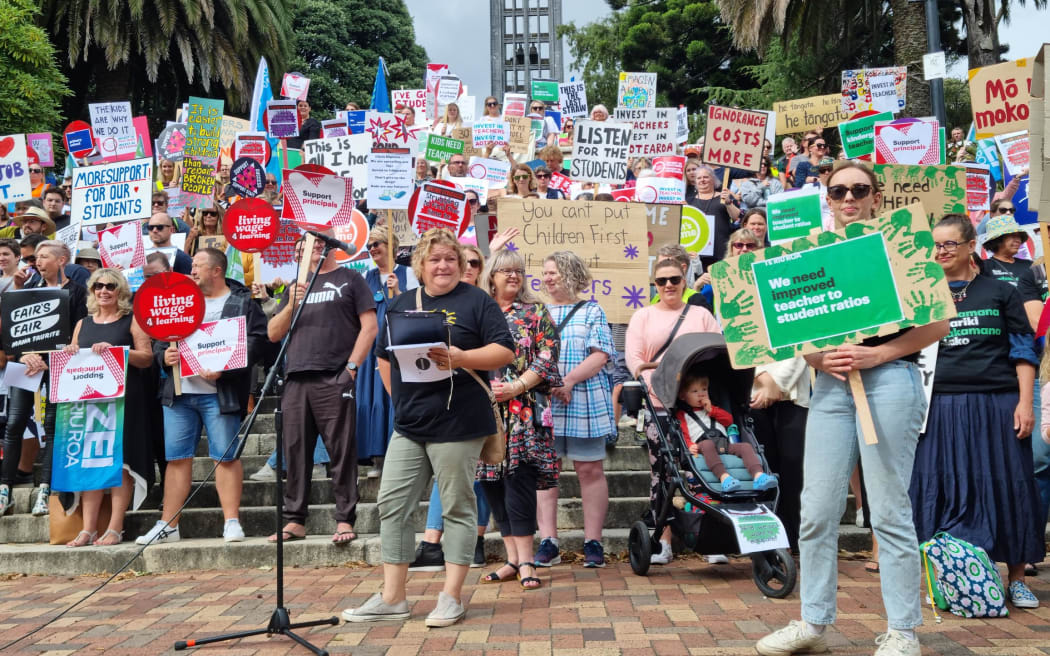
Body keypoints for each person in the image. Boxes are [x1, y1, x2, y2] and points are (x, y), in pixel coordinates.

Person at [757, 161, 948, 656]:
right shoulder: (809, 254)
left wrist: (880, 353)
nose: (848, 197)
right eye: (837, 189)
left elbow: (938, 325)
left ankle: (903, 630)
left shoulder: (902, 247)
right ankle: (813, 623)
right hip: (831, 388)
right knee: (817, 510)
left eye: (858, 189)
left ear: (876, 196)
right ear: (827, 197)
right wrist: (817, 355)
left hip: (890, 380)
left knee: (888, 508)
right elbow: (790, 327)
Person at [342, 228, 514, 627]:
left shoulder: (478, 301)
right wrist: (398, 399)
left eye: (451, 258)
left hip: (460, 421)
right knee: (393, 504)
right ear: (420, 265)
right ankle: (392, 598)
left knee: (456, 506)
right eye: (435, 258)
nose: (443, 265)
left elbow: (504, 350)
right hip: (410, 422)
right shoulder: (401, 303)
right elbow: (384, 356)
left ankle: (451, 597)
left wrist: (462, 356)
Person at [909, 214, 1044, 608]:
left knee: (1009, 484)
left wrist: (1025, 402)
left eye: (950, 244)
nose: (941, 252)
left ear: (972, 246)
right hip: (938, 407)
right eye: (935, 245)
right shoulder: (921, 294)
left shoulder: (1002, 291)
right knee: (940, 488)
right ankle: (951, 579)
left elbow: (1023, 350)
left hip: (996, 403)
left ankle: (1018, 578)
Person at [135, 248, 267, 545]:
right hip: (179, 394)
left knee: (226, 456)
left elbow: (258, 343)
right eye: (192, 265)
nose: (191, 270)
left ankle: (231, 521)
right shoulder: (176, 299)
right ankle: (168, 525)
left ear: (217, 270)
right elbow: (158, 339)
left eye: (198, 265)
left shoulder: (243, 302)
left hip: (221, 394)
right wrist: (163, 356)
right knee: (177, 459)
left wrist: (227, 368)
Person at [266, 233, 377, 544]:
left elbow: (370, 327)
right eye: (304, 244)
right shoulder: (294, 287)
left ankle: (344, 519)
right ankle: (294, 520)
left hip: (335, 376)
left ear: (330, 246)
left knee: (341, 451)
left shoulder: (350, 278)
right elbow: (274, 334)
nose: (312, 247)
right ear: (298, 252)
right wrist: (292, 304)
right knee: (295, 450)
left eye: (318, 241)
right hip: (296, 378)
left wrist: (352, 369)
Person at [476, 249, 562, 589]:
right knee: (491, 483)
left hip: (523, 411)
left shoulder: (535, 311)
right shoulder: (480, 311)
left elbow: (547, 356)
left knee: (519, 481)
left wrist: (515, 386)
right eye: (505, 270)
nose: (513, 275)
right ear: (491, 276)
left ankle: (528, 559)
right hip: (483, 410)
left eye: (518, 270)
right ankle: (511, 558)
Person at [627, 258, 721, 565]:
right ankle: (664, 540)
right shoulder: (643, 316)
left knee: (706, 466)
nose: (668, 285)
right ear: (654, 285)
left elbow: (716, 350)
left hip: (696, 405)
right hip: (660, 403)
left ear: (684, 281)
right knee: (663, 472)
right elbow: (636, 359)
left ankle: (711, 537)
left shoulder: (700, 314)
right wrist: (656, 384)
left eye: (674, 279)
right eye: (661, 281)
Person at [409, 242, 492, 569]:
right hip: (432, 401)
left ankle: (476, 541)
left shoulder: (484, 304)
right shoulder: (428, 302)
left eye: (473, 262)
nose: (468, 267)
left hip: (481, 397)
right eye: (465, 261)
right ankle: (432, 542)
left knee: (479, 475)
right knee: (450, 476)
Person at [534, 251, 616, 568]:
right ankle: (548, 540)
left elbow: (601, 355)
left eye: (553, 271)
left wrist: (566, 381)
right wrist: (549, 383)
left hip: (583, 399)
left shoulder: (592, 311)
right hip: (546, 403)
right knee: (546, 472)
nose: (547, 277)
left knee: (590, 470)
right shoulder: (537, 312)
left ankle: (593, 541)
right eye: (545, 272)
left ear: (570, 274)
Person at [62, 269, 155, 546]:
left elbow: (147, 358)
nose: (103, 290)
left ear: (120, 291)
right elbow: (74, 356)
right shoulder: (82, 323)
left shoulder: (132, 320)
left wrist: (119, 353)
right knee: (90, 463)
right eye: (97, 286)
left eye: (110, 286)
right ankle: (88, 529)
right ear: (91, 291)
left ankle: (115, 527)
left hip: (125, 402)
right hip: (89, 402)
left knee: (121, 464)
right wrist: (69, 352)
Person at [0, 240, 88, 518]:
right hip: (26, 365)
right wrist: (24, 355)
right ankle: (5, 490)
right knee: (14, 423)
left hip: (58, 367)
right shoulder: (25, 289)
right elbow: (13, 332)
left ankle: (46, 491)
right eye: (37, 256)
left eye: (45, 256)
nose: (38, 261)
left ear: (62, 260)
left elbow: (79, 334)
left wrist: (50, 360)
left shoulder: (77, 292)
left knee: (52, 425)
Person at [357, 226, 418, 481]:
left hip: (398, 348)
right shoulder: (365, 278)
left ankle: (398, 456)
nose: (372, 249)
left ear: (391, 246)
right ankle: (376, 457)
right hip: (371, 350)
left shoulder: (409, 274)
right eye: (370, 245)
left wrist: (398, 292)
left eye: (378, 243)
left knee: (393, 399)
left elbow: (417, 308)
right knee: (370, 400)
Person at [678, 373, 777, 492]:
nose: (701, 393)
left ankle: (759, 476)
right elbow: (683, 432)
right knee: (707, 444)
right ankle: (724, 478)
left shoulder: (714, 409)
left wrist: (712, 410)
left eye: (704, 389)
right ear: (683, 396)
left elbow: (729, 421)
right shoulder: (683, 414)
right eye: (694, 391)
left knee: (745, 447)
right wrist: (689, 445)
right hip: (701, 446)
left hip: (723, 443)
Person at [694, 228, 761, 307]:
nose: (744, 249)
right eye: (739, 245)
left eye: (750, 246)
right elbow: (700, 309)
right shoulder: (719, 272)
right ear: (731, 248)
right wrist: (697, 288)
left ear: (756, 249)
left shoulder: (764, 271)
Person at [690, 166, 739, 268]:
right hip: (697, 253)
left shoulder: (723, 197)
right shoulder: (689, 201)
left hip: (721, 250)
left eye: (706, 177)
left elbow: (736, 217)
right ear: (695, 182)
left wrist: (728, 202)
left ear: (713, 179)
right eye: (699, 178)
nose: (702, 180)